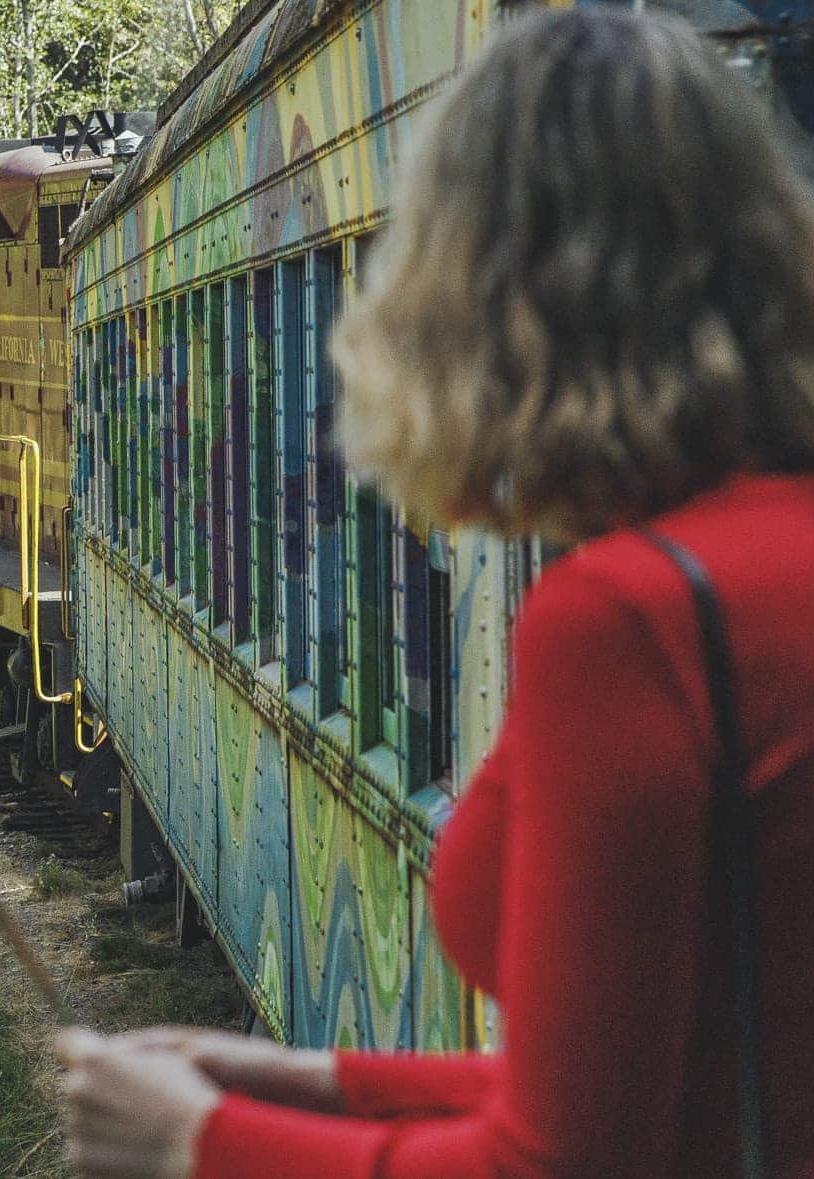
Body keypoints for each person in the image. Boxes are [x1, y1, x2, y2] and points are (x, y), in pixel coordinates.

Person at [56, 7, 814, 1177]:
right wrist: (321, 1083)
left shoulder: (633, 620)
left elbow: (555, 1166)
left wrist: (196, 1140)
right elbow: (654, 1079)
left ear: (471, 290)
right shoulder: (762, 555)